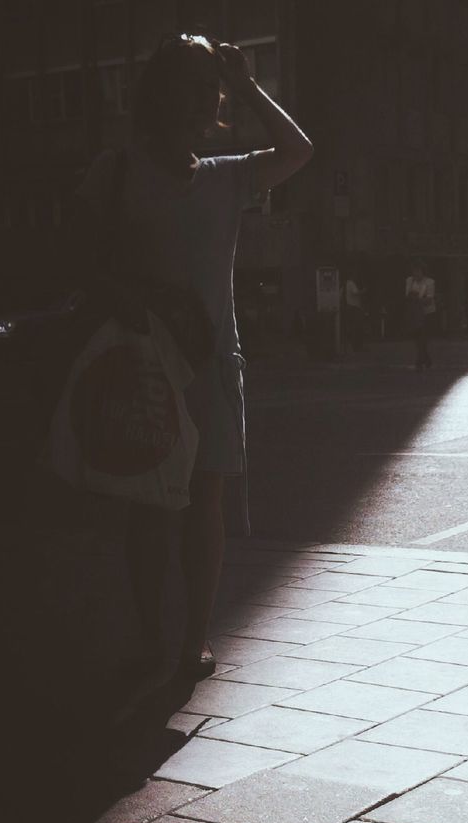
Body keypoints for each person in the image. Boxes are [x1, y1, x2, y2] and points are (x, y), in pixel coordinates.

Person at [72, 34, 312, 699]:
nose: (202, 98)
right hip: (144, 362)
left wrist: (248, 84)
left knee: (203, 502)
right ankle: (152, 635)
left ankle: (190, 640)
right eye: (191, 82)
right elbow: (81, 263)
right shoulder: (114, 172)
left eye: (210, 87)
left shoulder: (226, 175)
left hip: (209, 365)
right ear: (156, 94)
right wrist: (134, 297)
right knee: (149, 509)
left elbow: (300, 152)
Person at [405, 262, 435, 370]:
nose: (416, 273)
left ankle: (419, 361)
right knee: (417, 337)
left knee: (423, 337)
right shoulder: (409, 281)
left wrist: (418, 300)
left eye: (418, 271)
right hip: (414, 313)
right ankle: (426, 359)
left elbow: (429, 299)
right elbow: (408, 295)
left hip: (426, 313)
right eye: (414, 271)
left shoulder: (429, 282)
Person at [344, 272, 366, 352]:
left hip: (349, 306)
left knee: (351, 326)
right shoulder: (351, 283)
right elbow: (355, 292)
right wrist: (363, 291)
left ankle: (352, 346)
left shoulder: (346, 283)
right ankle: (356, 346)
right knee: (356, 326)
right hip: (354, 307)